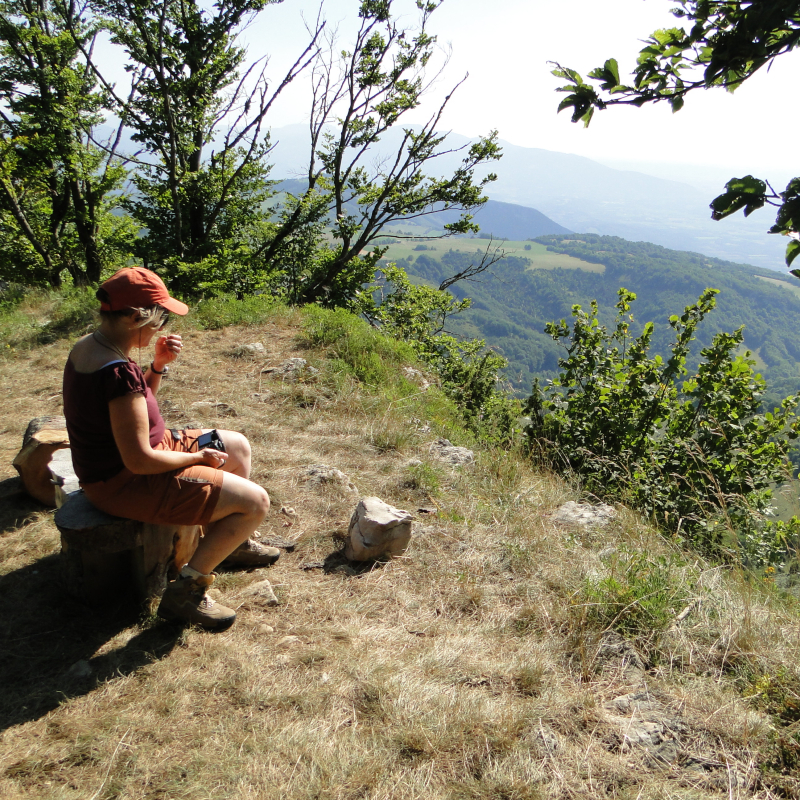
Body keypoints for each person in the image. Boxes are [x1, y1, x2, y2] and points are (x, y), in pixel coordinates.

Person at [62, 266, 277, 630]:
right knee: (256, 503)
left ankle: (230, 543)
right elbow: (139, 460)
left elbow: (135, 411)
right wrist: (198, 458)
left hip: (149, 451)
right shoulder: (115, 371)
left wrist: (157, 366)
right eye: (158, 318)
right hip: (125, 481)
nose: (160, 326)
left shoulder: (95, 346)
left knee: (236, 446)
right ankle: (187, 592)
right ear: (134, 317)